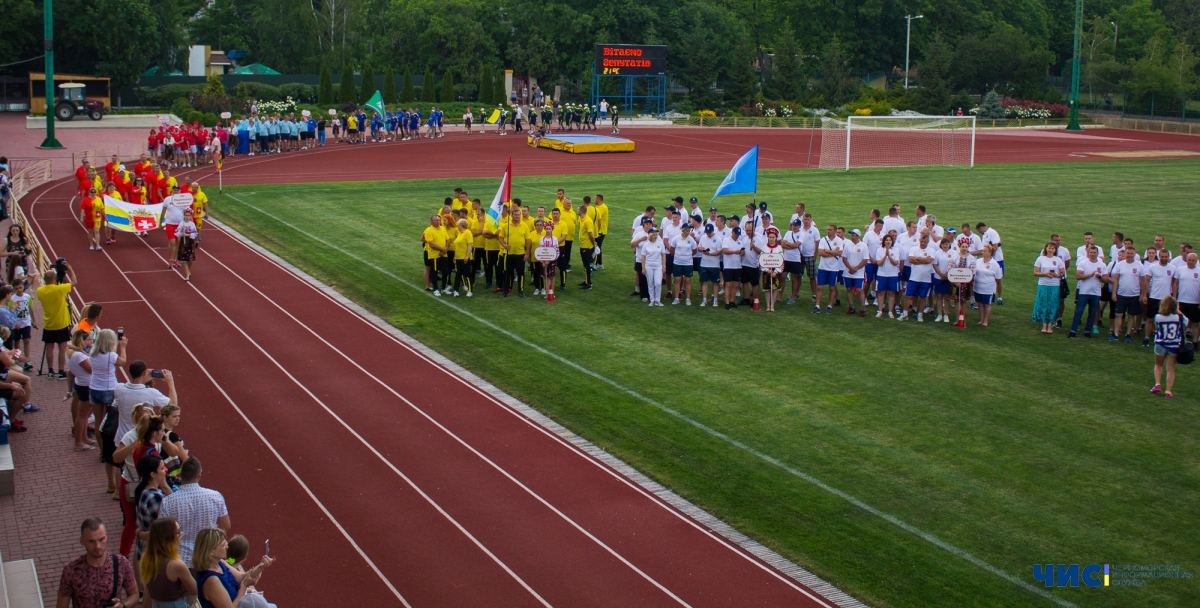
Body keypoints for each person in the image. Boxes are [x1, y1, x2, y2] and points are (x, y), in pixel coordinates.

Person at [159, 458, 231, 564]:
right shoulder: (216, 497)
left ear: (181, 475)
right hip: (206, 557)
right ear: (199, 476)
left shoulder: (167, 502)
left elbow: (162, 534)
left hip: (179, 560)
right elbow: (225, 525)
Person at [57, 519, 139, 608]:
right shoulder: (71, 570)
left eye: (101, 539)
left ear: (106, 537)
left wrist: (123, 606)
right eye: (91, 541)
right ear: (82, 541)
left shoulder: (121, 564)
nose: (97, 546)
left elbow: (134, 594)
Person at [193, 528, 275, 608]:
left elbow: (242, 577)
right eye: (223, 545)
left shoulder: (219, 563)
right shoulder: (211, 581)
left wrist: (261, 566)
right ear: (211, 552)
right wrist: (244, 585)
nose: (227, 547)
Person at [139, 517, 198, 608]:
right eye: (178, 532)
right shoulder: (176, 564)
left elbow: (149, 590)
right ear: (168, 538)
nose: (181, 534)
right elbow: (194, 590)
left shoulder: (146, 559)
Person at [36, 264, 78, 379]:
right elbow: (74, 282)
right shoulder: (59, 289)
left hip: (49, 324)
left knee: (49, 347)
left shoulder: (40, 291)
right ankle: (60, 371)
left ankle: (50, 371)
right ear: (54, 279)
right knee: (62, 348)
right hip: (61, 323)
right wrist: (70, 269)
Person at [1142, 248, 1178, 347]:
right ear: (1159, 256)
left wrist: (1174, 297)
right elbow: (1146, 281)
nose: (1164, 258)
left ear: (1168, 257)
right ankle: (1146, 338)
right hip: (1154, 296)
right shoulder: (1152, 267)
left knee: (1164, 318)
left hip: (1166, 299)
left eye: (1165, 257)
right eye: (1162, 256)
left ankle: (1161, 338)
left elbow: (1174, 283)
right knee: (1150, 318)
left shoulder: (1173, 268)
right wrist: (1145, 295)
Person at [67, 330, 96, 450]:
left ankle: (84, 438)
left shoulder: (74, 352)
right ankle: (78, 443)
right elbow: (91, 369)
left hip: (82, 383)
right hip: (86, 385)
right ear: (81, 340)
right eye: (88, 340)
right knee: (83, 414)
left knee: (84, 415)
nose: (90, 342)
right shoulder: (79, 355)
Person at [1069, 245, 1106, 338]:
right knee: (1079, 311)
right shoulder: (1083, 263)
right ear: (1088, 253)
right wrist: (1090, 275)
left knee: (1092, 312)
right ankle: (1073, 330)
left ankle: (1087, 331)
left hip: (1096, 292)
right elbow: (1078, 276)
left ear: (1097, 253)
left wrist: (1100, 277)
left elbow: (1105, 279)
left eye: (1094, 252)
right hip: (1084, 292)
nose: (1093, 254)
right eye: (1091, 252)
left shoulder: (1102, 265)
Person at [1108, 247, 1145, 342]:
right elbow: (1116, 279)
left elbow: (1143, 281)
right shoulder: (1120, 265)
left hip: (1134, 295)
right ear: (1125, 254)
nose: (1129, 255)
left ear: (1134, 254)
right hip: (1121, 294)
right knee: (1118, 314)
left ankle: (1128, 334)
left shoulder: (1139, 265)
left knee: (1131, 315)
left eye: (1131, 253)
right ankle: (1116, 334)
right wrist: (1114, 293)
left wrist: (1143, 294)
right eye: (1128, 253)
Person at [1032, 242, 1064, 334]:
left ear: (1055, 250)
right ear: (1046, 248)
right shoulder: (1040, 259)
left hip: (1054, 285)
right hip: (1043, 284)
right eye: (1049, 248)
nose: (1051, 250)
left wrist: (1056, 275)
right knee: (1043, 303)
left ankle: (1050, 324)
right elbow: (1036, 272)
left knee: (1052, 304)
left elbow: (1062, 273)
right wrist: (1045, 274)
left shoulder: (1058, 260)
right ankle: (1044, 324)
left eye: (1053, 248)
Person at [814, 225, 842, 314]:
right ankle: (817, 305)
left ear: (834, 231)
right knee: (819, 287)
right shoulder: (823, 239)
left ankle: (830, 305)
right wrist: (834, 252)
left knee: (832, 287)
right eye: (827, 229)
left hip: (834, 268)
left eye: (830, 230)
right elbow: (821, 253)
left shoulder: (839, 241)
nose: (828, 231)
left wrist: (828, 251)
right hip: (823, 267)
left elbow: (840, 252)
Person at [841, 229, 868, 316]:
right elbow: (844, 258)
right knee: (849, 289)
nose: (851, 237)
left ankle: (862, 308)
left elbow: (865, 259)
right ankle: (851, 307)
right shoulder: (847, 245)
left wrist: (855, 268)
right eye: (851, 235)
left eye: (853, 235)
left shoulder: (863, 246)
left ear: (858, 236)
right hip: (848, 272)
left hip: (859, 272)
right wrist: (850, 268)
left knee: (860, 290)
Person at [874, 234, 901, 318]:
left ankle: (890, 311)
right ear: (884, 241)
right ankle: (880, 310)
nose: (888, 241)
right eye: (886, 240)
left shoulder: (896, 250)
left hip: (893, 274)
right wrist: (885, 255)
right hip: (882, 274)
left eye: (890, 240)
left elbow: (895, 263)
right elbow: (879, 263)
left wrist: (889, 256)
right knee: (881, 292)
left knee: (891, 293)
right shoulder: (879, 250)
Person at [670, 224, 695, 305]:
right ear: (683, 230)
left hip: (688, 263)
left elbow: (694, 250)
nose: (688, 232)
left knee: (688, 280)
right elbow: (672, 249)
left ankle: (688, 299)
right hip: (677, 262)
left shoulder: (691, 240)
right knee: (677, 280)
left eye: (689, 230)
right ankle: (676, 298)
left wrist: (687, 256)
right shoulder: (676, 239)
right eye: (687, 230)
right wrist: (678, 256)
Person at [640, 228, 667, 306]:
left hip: (658, 266)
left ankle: (657, 300)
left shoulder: (660, 244)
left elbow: (663, 255)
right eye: (654, 235)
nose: (656, 236)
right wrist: (643, 268)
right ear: (651, 235)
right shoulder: (646, 245)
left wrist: (664, 266)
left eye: (657, 235)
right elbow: (643, 257)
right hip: (649, 266)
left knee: (658, 283)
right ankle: (652, 299)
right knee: (650, 283)